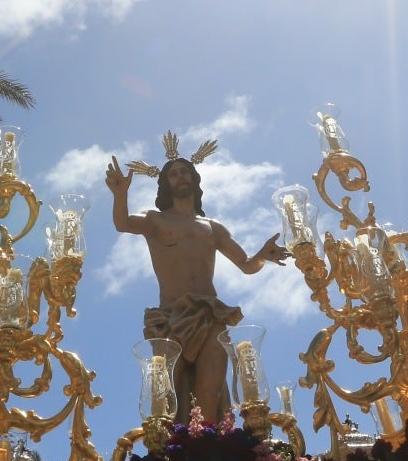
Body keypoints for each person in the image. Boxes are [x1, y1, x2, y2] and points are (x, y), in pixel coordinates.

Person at [107, 140, 288, 421]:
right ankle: (172, 455)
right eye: (174, 173)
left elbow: (246, 265)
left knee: (211, 389)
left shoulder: (212, 228)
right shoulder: (155, 220)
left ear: (194, 178)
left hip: (210, 314)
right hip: (170, 316)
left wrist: (263, 255)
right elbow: (123, 224)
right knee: (167, 395)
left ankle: (210, 452)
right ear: (166, 183)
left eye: (184, 171)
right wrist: (120, 195)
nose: (180, 176)